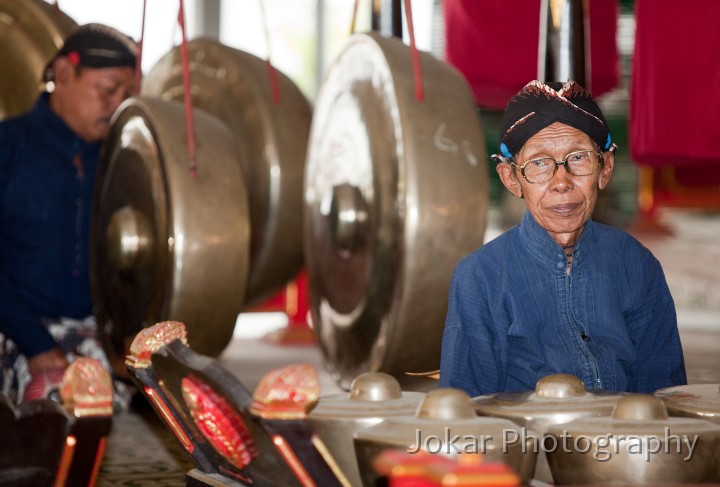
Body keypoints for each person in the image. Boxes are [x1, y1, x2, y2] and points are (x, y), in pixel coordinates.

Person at [439, 80, 687, 396]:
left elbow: (664, 395)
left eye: (579, 158)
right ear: (512, 179)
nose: (561, 182)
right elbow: (463, 414)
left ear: (605, 169)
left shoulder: (635, 264)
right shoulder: (480, 277)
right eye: (539, 163)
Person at [0, 23, 137, 404]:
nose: (117, 105)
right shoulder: (7, 147)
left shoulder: (120, 160)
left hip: (91, 329)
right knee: (64, 400)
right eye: (108, 90)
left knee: (188, 394)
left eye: (127, 94)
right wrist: (37, 345)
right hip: (15, 327)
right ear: (63, 75)